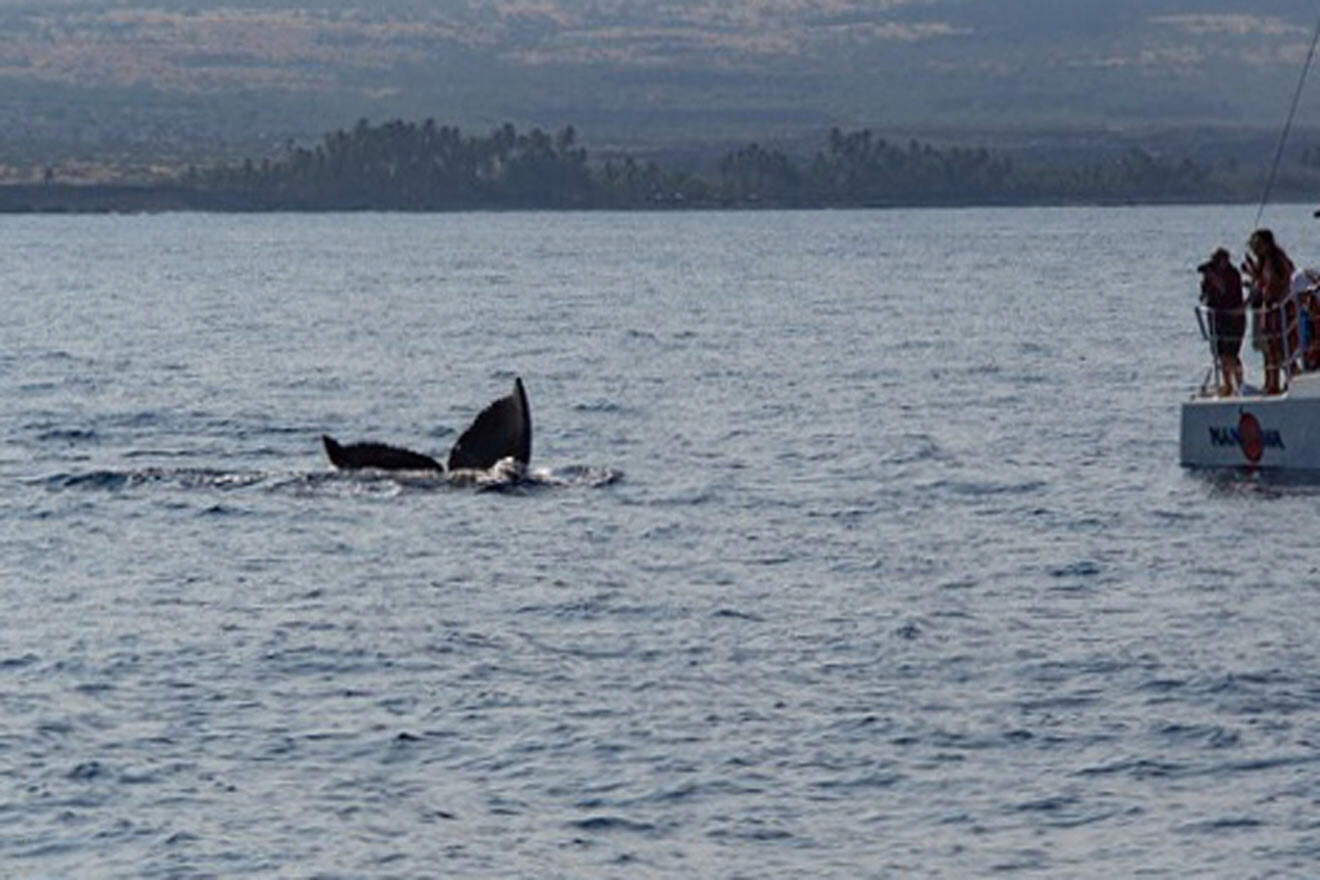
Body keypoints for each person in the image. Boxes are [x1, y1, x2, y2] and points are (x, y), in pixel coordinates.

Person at [1242, 228, 1296, 395]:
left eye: (1257, 244)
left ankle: (1289, 382)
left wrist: (1258, 281)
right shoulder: (1266, 261)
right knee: (1269, 350)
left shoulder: (1276, 260)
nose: (1254, 248)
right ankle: (1271, 383)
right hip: (1269, 309)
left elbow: (1276, 282)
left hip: (1277, 309)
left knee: (1280, 349)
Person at [1197, 248, 1244, 396]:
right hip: (1217, 318)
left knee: (1232, 354)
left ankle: (1239, 384)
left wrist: (1215, 280)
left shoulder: (1232, 275)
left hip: (1233, 317)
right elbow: (1204, 295)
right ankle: (1227, 384)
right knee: (1220, 354)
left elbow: (1226, 292)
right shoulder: (1211, 274)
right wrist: (1207, 282)